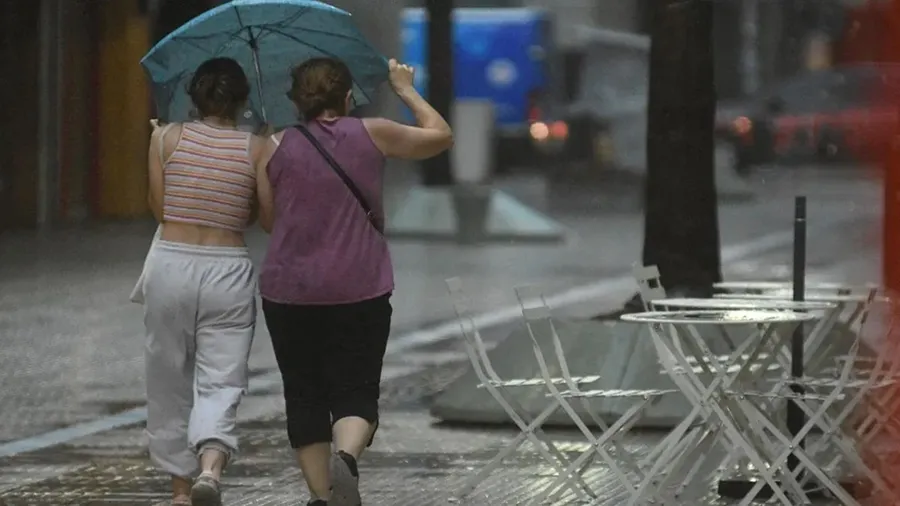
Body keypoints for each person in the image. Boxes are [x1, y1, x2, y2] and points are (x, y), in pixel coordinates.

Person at [254, 57, 453, 506]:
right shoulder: (373, 132)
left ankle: (323, 496)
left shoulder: (273, 145)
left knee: (303, 393)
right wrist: (404, 89)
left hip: (289, 292)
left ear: (297, 99)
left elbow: (268, 221)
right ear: (346, 97)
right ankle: (346, 457)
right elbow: (441, 136)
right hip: (359, 287)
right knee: (355, 387)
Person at [142, 56, 266, 506]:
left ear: (194, 96)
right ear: (241, 101)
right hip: (227, 268)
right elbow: (266, 218)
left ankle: (178, 490)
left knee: (167, 378)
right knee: (222, 379)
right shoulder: (257, 148)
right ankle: (210, 470)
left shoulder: (164, 138)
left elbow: (161, 210)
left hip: (171, 264)